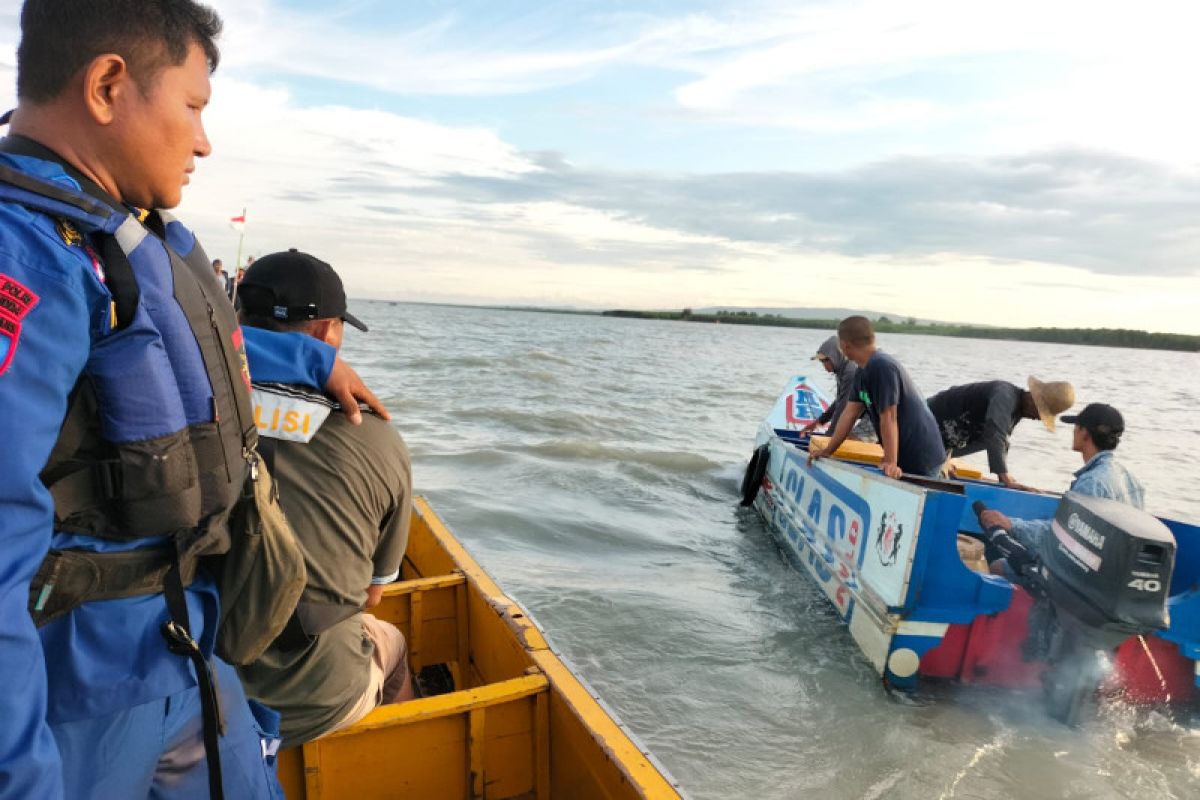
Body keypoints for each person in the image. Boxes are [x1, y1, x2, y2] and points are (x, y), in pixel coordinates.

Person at [0, 2, 385, 796]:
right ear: (108, 85)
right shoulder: (25, 258)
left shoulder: (117, 232)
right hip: (79, 696)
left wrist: (306, 361)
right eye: (193, 107)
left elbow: (174, 331)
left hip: (187, 657)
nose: (204, 140)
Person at [235, 249, 416, 747]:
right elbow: (372, 591)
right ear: (324, 334)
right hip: (315, 698)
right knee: (393, 644)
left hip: (199, 688)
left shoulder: (193, 399)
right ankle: (390, 753)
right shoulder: (376, 436)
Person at [979, 403, 1144, 572]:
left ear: (1084, 433)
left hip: (1082, 572)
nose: (1073, 431)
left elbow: (1063, 537)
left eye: (1076, 427)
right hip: (1111, 569)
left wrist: (1010, 525)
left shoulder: (1091, 483)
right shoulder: (1132, 481)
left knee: (997, 566)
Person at [808, 316, 945, 479]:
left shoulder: (882, 366)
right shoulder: (861, 371)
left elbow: (889, 417)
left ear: (844, 345)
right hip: (903, 454)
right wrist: (827, 451)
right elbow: (849, 414)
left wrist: (891, 462)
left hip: (922, 457)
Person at [927, 377, 1075, 488]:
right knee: (932, 484)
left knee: (943, 478)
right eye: (1040, 412)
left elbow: (995, 441)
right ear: (1033, 398)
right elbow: (994, 434)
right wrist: (1004, 477)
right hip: (926, 423)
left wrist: (947, 458)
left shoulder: (1015, 413)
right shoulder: (1005, 395)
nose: (1037, 418)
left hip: (940, 443)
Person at [798, 335, 877, 442]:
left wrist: (828, 437)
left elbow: (843, 408)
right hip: (865, 408)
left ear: (835, 356)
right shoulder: (842, 370)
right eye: (821, 362)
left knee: (850, 440)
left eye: (825, 361)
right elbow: (839, 401)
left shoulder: (850, 372)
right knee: (842, 438)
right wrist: (819, 422)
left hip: (878, 411)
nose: (823, 365)